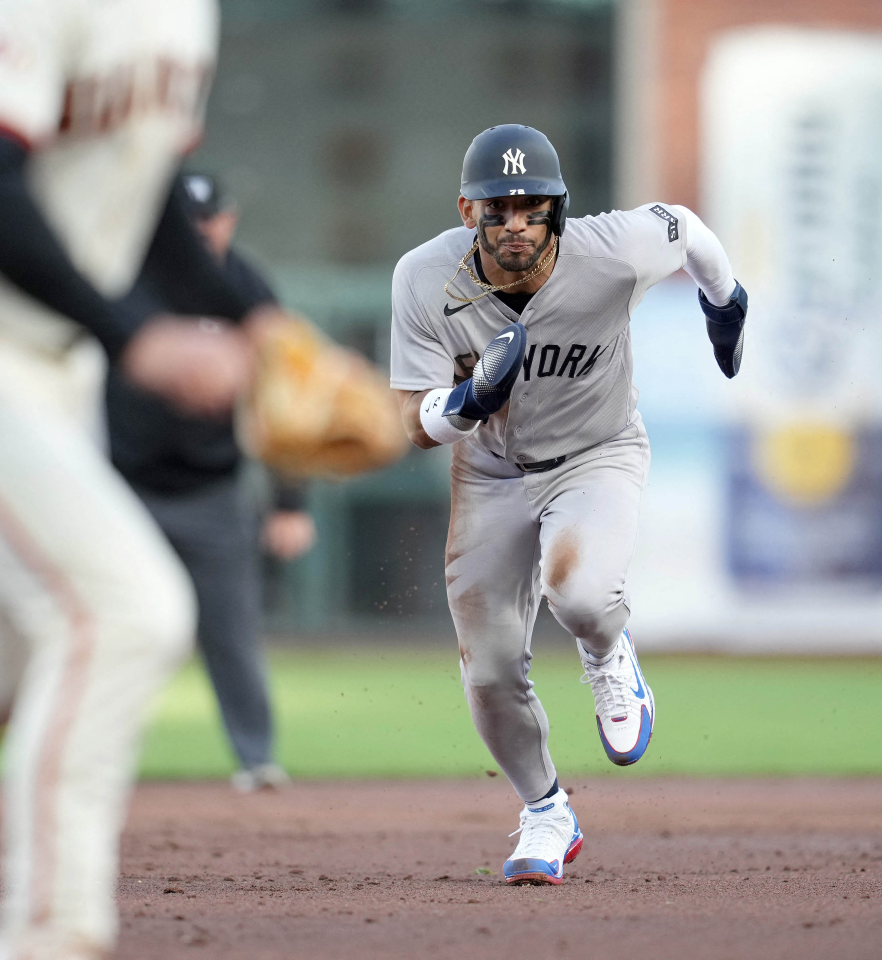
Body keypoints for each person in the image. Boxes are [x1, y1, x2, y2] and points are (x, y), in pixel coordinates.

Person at [0, 1, 266, 957]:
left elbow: (136, 198)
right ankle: (50, 936)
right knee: (123, 609)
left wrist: (266, 328)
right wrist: (133, 335)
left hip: (45, 364)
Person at [389, 125, 747, 885]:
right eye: (498, 208)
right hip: (489, 469)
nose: (516, 223)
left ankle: (608, 654)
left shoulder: (612, 248)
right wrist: (466, 401)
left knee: (580, 593)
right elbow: (408, 422)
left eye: (532, 206)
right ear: (467, 211)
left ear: (559, 208)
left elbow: (692, 230)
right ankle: (546, 810)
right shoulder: (425, 278)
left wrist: (727, 302)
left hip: (597, 451)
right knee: (487, 669)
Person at [105, 173, 315, 793]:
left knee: (232, 635)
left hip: (211, 492)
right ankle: (96, 762)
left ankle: (257, 759)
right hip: (125, 489)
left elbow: (283, 408)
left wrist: (289, 503)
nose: (197, 234)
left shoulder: (246, 291)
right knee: (113, 631)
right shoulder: (129, 277)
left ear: (229, 221)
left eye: (208, 222)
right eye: (186, 223)